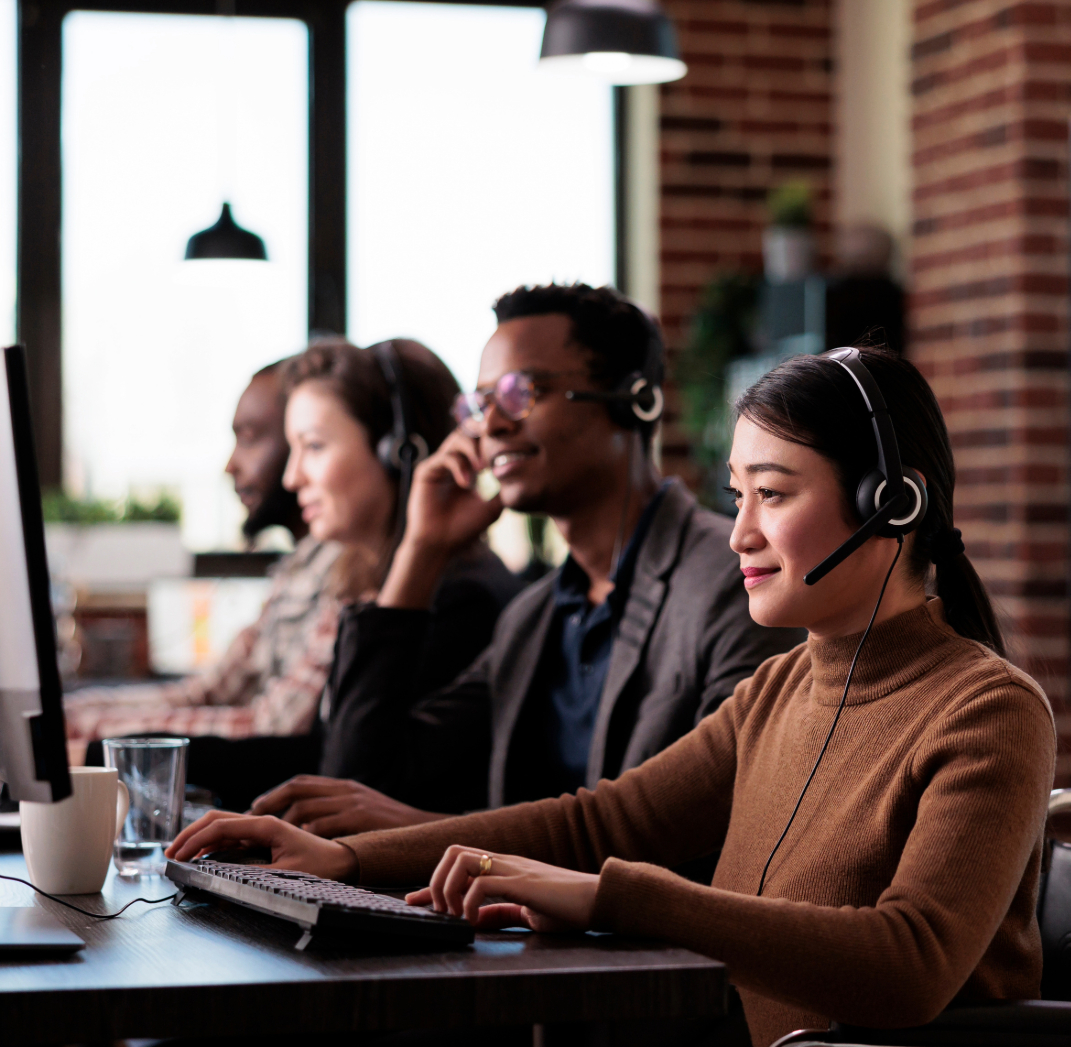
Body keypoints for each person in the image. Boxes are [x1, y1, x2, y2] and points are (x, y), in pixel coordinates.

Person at [172, 345, 1057, 1047]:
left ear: (889, 503)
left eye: (775, 495)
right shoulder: (780, 689)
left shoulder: (988, 712)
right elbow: (605, 817)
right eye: (737, 496)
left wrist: (616, 897)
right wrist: (345, 859)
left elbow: (909, 964)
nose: (742, 533)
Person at [252, 284, 802, 841]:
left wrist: (439, 833)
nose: (491, 426)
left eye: (522, 392)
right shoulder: (533, 618)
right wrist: (421, 552)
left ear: (634, 399)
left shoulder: (734, 579)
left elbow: (699, 827)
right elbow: (360, 777)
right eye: (480, 403)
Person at [71, 339, 523, 808]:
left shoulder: (462, 601)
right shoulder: (355, 577)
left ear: (399, 452)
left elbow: (347, 773)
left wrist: (99, 753)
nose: (291, 479)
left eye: (314, 446)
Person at [65, 359, 343, 767]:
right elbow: (207, 691)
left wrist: (91, 743)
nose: (230, 465)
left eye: (249, 438)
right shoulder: (298, 568)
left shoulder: (347, 572)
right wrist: (74, 716)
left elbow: (275, 730)